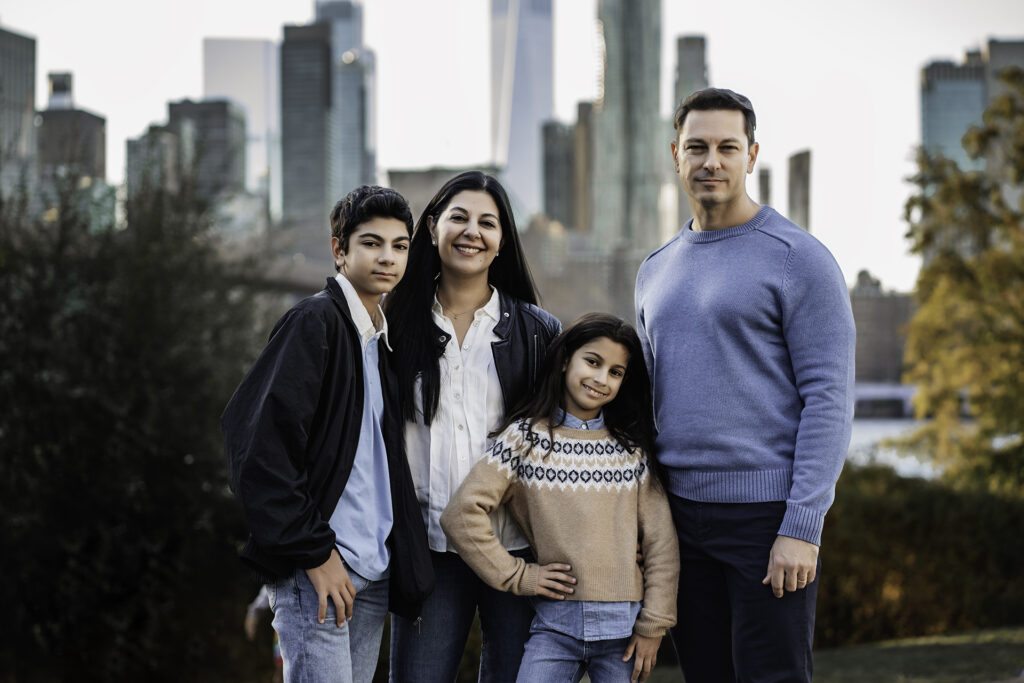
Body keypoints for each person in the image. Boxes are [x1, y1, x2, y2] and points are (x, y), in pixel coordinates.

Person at [634, 88, 856, 683]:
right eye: (697, 147)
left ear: (752, 155)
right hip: (680, 519)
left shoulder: (798, 259)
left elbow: (829, 400)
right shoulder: (655, 269)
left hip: (766, 519)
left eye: (728, 147)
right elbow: (652, 401)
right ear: (674, 154)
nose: (712, 161)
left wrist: (801, 527)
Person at [222, 185, 434, 683]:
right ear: (340, 250)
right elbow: (256, 447)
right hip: (317, 569)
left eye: (400, 245)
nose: (388, 257)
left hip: (369, 572)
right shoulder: (314, 322)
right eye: (371, 243)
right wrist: (315, 553)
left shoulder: (378, 342)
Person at [385, 171, 561, 683]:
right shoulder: (394, 324)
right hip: (428, 550)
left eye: (488, 222)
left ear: (502, 240)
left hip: (516, 546)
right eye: (459, 218)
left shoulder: (536, 331)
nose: (472, 232)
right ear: (434, 227)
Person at [440, 313, 679, 683]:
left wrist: (654, 625)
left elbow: (661, 543)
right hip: (553, 629)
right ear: (566, 358)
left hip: (624, 635)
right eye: (593, 362)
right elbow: (461, 514)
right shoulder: (524, 439)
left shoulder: (631, 451)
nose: (601, 379)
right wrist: (517, 575)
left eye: (616, 372)